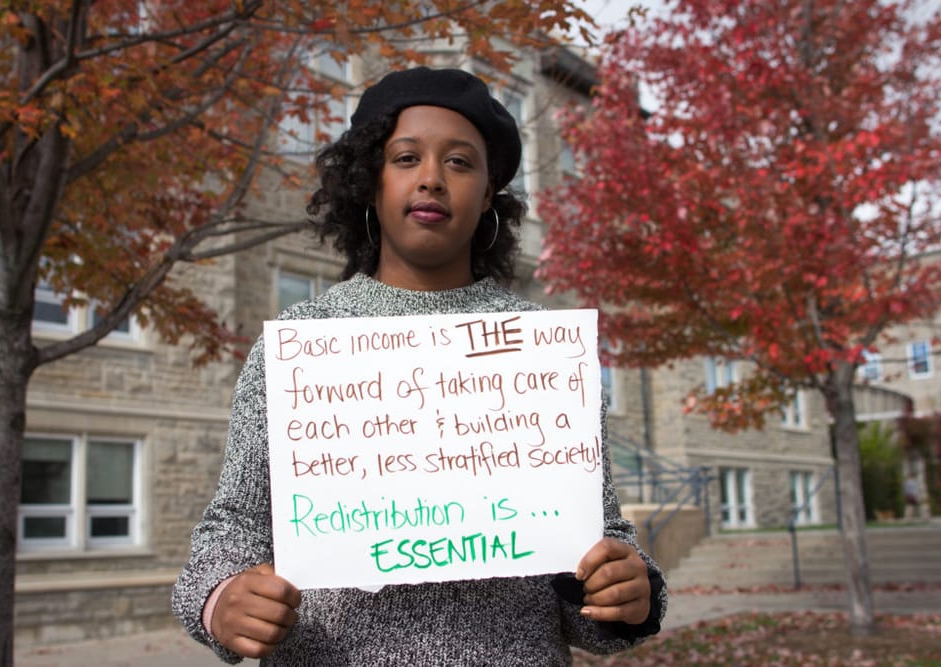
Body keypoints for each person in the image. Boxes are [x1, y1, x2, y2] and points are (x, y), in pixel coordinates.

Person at [172, 66, 667, 666]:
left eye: (460, 163)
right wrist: (221, 601)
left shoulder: (541, 356)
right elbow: (231, 530)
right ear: (369, 181)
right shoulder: (299, 347)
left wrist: (625, 592)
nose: (432, 178)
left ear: (489, 194)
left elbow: (593, 563)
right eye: (405, 158)